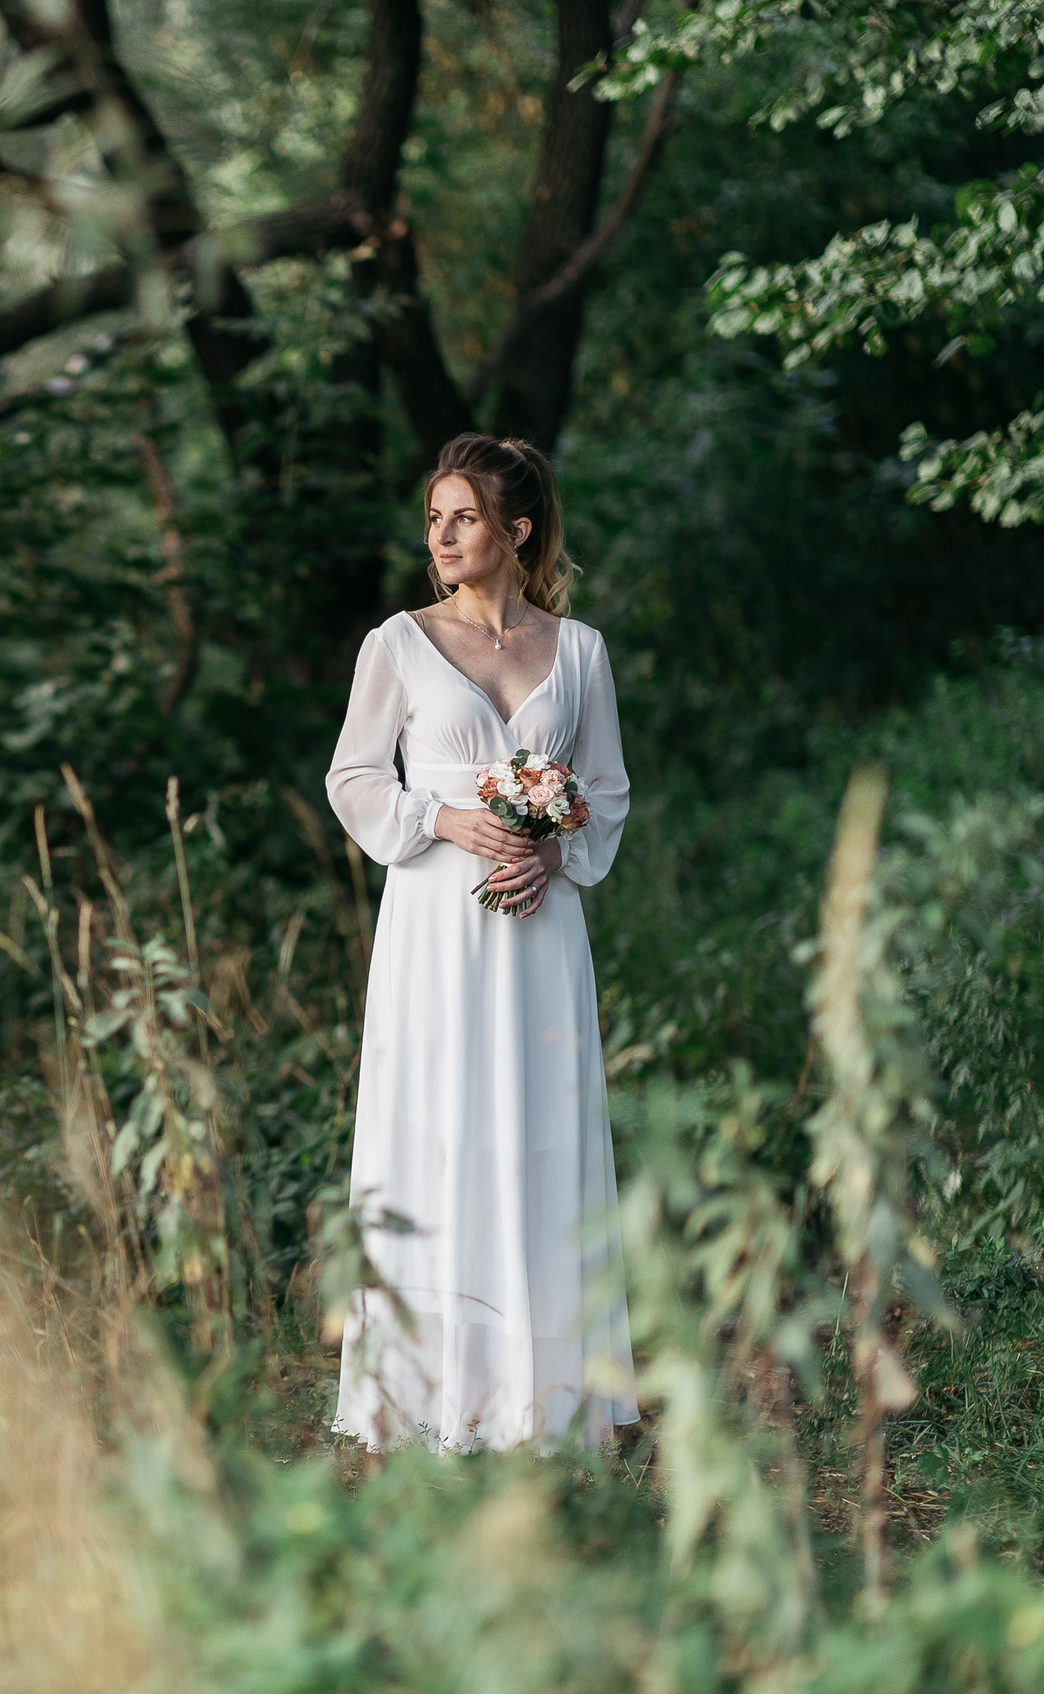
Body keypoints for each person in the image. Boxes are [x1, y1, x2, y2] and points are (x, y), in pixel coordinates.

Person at [322, 433, 638, 1453]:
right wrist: (446, 822)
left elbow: (606, 790)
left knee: (538, 1133)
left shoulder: (577, 650)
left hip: (539, 935)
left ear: (517, 530)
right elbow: (354, 780)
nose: (442, 536)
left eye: (463, 518)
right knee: (438, 1127)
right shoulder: (397, 644)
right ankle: (426, 1395)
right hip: (434, 927)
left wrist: (556, 853)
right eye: (434, 518)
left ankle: (541, 1401)